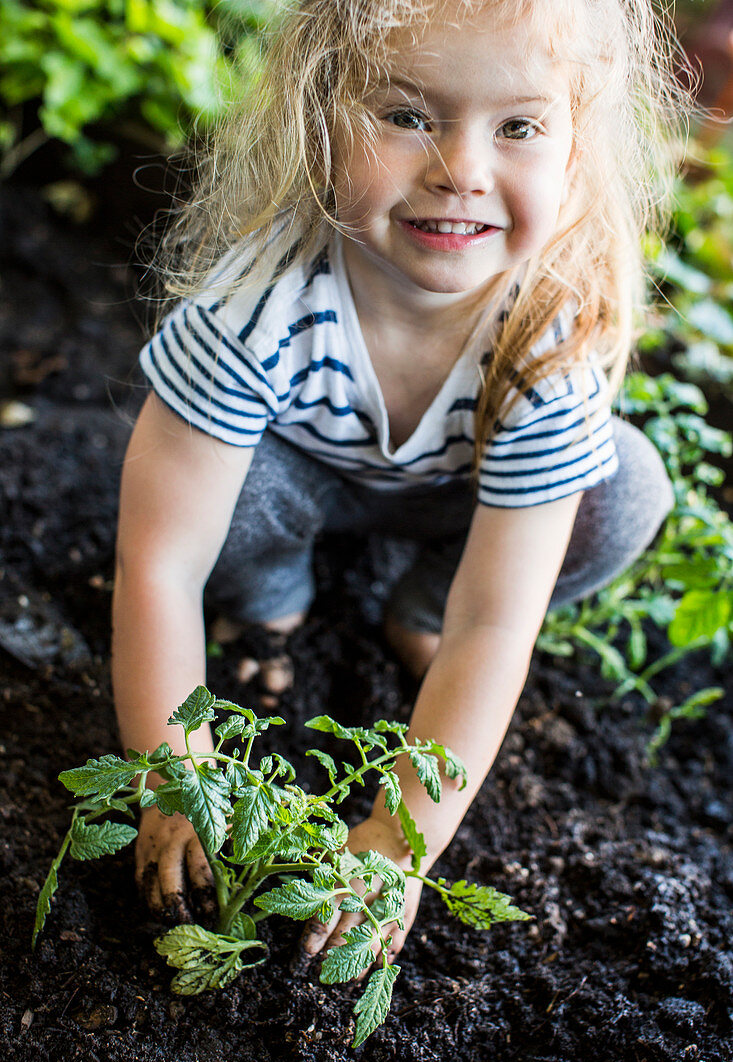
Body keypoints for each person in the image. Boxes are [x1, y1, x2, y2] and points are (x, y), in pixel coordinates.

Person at [113, 0, 691, 970]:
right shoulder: (263, 302)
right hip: (296, 481)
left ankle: (415, 601)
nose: (460, 168)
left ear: (575, 154)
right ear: (321, 112)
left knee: (625, 488)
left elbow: (496, 625)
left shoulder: (543, 342)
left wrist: (397, 841)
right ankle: (268, 603)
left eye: (518, 126)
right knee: (221, 499)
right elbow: (159, 560)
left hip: (452, 508)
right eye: (408, 114)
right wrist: (174, 781)